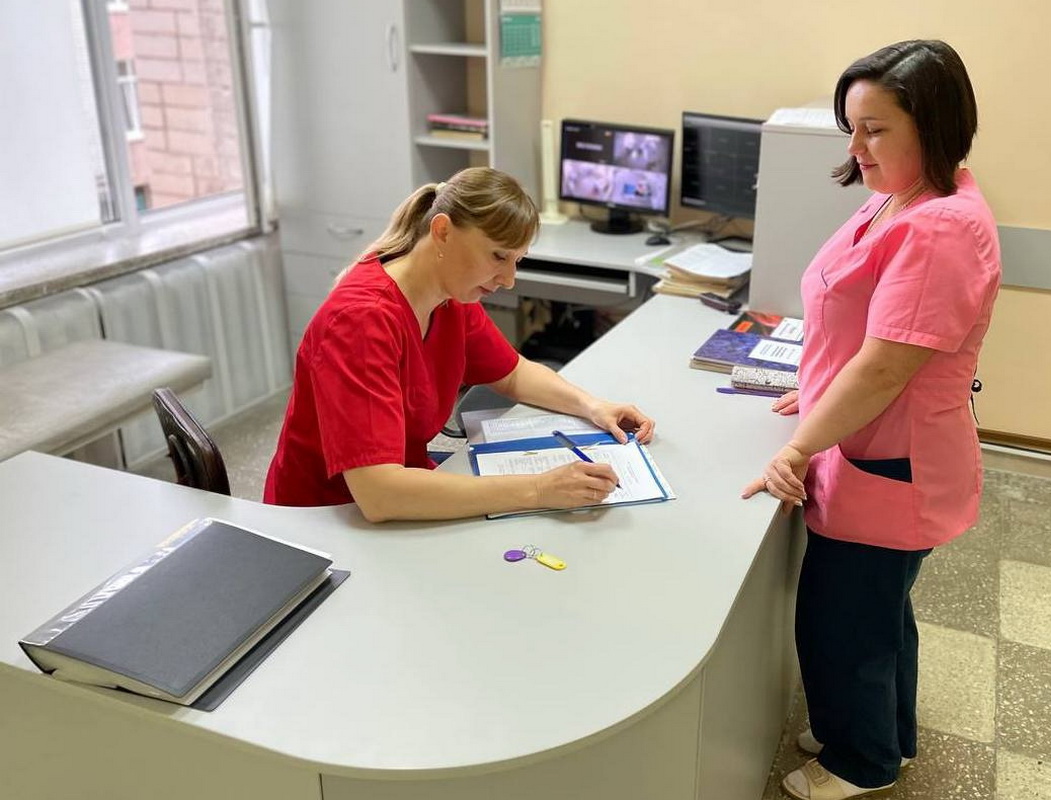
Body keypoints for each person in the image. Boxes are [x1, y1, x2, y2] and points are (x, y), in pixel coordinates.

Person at [740, 41, 1001, 800]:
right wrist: (817, 387)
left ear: (933, 124)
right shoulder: (900, 196)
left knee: (848, 618)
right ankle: (886, 735)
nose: (856, 148)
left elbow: (888, 365)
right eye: (851, 128)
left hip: (892, 455)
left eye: (875, 129)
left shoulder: (941, 227)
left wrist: (799, 446)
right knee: (877, 612)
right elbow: (856, 320)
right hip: (867, 435)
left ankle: (862, 762)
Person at [264, 167, 654, 521]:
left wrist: (593, 406)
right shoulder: (362, 321)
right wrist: (538, 489)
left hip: (403, 489)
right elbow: (379, 493)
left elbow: (513, 374)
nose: (508, 280)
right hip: (329, 519)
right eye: (499, 256)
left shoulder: (450, 296)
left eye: (517, 261)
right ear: (443, 231)